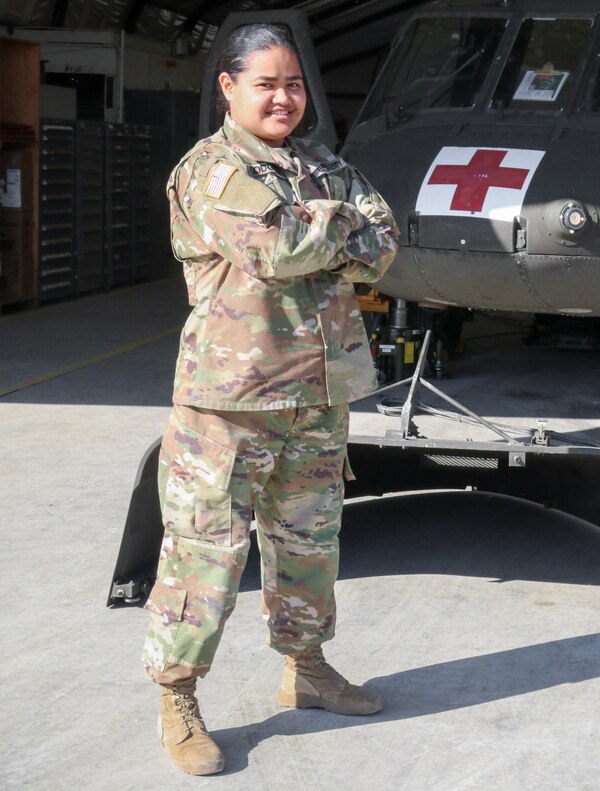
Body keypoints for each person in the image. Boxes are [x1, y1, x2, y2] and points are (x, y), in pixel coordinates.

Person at [141, 22, 399, 775]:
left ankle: (307, 668)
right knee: (206, 556)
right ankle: (178, 696)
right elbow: (276, 249)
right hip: (232, 399)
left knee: (309, 546)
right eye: (266, 84)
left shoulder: (320, 161)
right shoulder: (211, 171)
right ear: (229, 87)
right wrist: (341, 225)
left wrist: (331, 224)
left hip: (318, 392)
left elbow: (386, 239)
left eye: (293, 84)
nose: (284, 97)